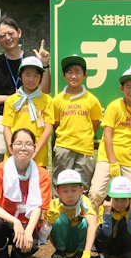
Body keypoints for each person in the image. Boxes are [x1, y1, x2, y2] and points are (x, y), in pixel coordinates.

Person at [0, 17, 51, 165]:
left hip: (33, 112)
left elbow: (46, 90)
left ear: (19, 33)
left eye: (10, 33)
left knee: (32, 155)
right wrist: (11, 99)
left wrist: (45, 65)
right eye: (2, 36)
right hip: (4, 114)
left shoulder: (32, 59)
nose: (8, 38)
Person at [0, 128, 52, 258]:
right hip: (2, 221)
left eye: (28, 144)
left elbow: (38, 207)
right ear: (11, 147)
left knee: (31, 244)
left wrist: (28, 231)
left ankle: (17, 254)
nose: (23, 148)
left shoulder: (42, 174)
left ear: (34, 148)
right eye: (19, 143)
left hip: (26, 221)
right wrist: (15, 222)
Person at [40, 54, 103, 189]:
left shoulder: (92, 100)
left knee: (82, 187)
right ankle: (58, 210)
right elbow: (55, 125)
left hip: (85, 150)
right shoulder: (57, 100)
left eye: (77, 72)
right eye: (69, 72)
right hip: (63, 149)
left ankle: (81, 211)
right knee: (60, 185)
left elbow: (94, 125)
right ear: (63, 75)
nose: (73, 76)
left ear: (85, 75)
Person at [89, 68, 131, 214]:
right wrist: (113, 162)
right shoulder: (114, 106)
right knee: (96, 194)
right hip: (107, 159)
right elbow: (107, 136)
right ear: (122, 88)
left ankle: (128, 227)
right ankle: (91, 225)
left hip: (129, 161)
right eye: (128, 87)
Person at [1, 56, 52, 170]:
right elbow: (7, 128)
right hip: (14, 155)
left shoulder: (47, 100)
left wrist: (35, 152)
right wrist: (12, 150)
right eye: (27, 75)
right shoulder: (11, 100)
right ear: (20, 76)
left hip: (38, 157)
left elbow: (48, 129)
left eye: (36, 76)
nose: (31, 79)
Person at [42, 169, 98, 258]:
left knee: (86, 222)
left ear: (81, 190)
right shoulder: (55, 205)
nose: (70, 195)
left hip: (78, 240)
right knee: (59, 219)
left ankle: (80, 253)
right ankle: (60, 252)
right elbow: (42, 237)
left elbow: (93, 225)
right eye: (65, 191)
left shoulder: (84, 202)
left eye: (74, 190)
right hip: (63, 240)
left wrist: (87, 253)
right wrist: (49, 222)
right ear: (58, 191)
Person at [95, 176, 131, 258]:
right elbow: (106, 232)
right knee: (103, 226)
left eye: (124, 199)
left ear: (130, 199)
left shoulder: (130, 210)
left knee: (126, 222)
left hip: (121, 244)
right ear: (109, 198)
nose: (120, 204)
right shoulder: (103, 209)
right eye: (116, 199)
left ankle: (127, 253)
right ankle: (103, 253)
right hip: (107, 243)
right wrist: (107, 214)